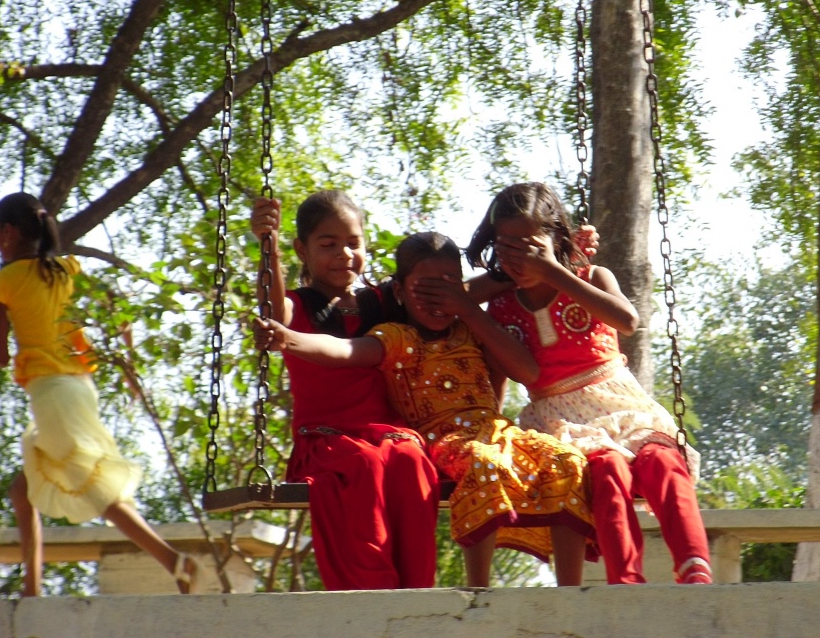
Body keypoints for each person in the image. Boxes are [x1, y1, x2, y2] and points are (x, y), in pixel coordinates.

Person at [253, 231, 595, 587]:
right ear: (400, 293)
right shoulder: (397, 338)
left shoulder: (471, 330)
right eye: (426, 288)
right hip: (446, 439)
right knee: (485, 463)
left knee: (567, 461)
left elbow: (525, 369)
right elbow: (344, 350)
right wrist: (288, 339)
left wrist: (564, 256)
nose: (439, 297)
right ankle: (479, 590)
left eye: (449, 285)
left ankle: (569, 590)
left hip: (497, 431)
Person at [461, 182, 713, 585]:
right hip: (560, 419)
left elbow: (627, 321)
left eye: (530, 247)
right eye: (508, 248)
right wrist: (510, 274)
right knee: (607, 472)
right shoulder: (502, 307)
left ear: (556, 239)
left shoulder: (591, 276)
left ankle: (694, 565)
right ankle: (625, 581)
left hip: (620, 404)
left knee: (663, 463)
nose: (520, 258)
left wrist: (553, 271)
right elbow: (466, 306)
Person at [0, 192, 200, 597]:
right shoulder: (67, 268)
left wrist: (9, 349)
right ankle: (32, 588)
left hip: (51, 393)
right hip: (80, 388)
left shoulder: (0, 283)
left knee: (93, 486)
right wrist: (129, 367)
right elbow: (118, 308)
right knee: (22, 491)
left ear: (7, 233)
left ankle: (173, 561)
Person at [251, 192, 438, 590]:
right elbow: (273, 314)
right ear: (302, 250)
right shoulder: (298, 305)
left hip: (388, 434)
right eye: (328, 244)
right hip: (329, 439)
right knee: (362, 465)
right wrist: (268, 244)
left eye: (354, 243)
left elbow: (448, 293)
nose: (344, 254)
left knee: (411, 458)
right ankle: (372, 593)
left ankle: (417, 592)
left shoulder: (385, 301)